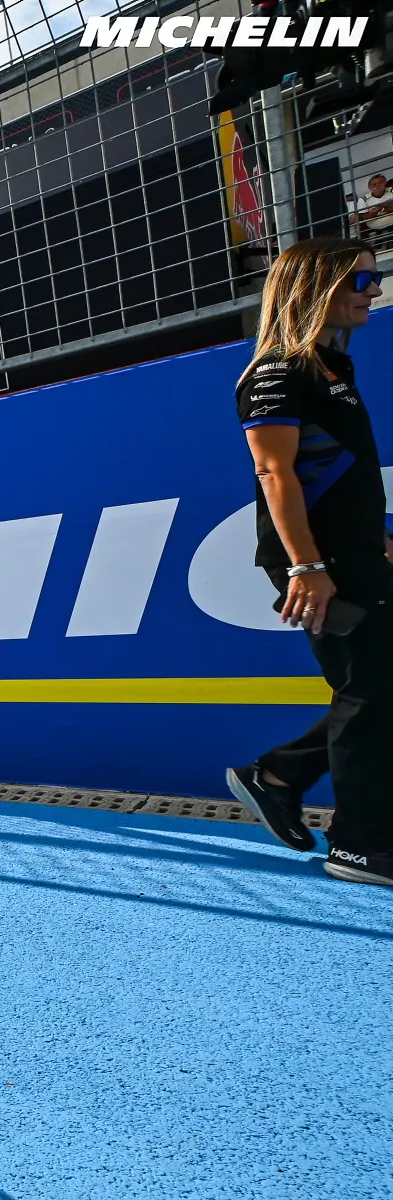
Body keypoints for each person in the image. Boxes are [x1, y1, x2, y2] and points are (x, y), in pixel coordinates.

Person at [227, 237, 393, 886]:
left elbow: (339, 473)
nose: (373, 291)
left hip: (353, 552)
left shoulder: (332, 367)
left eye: (375, 278)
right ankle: (359, 846)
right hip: (319, 562)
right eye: (361, 280)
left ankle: (279, 776)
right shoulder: (277, 371)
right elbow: (276, 473)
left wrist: (377, 536)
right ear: (316, 286)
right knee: (369, 690)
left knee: (378, 687)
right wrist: (305, 567)